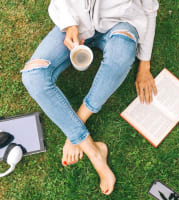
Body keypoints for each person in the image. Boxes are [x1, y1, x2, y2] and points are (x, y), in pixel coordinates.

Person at [20, 0, 159, 195]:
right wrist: (69, 24)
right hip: (76, 24)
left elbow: (150, 10)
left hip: (120, 23)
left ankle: (78, 122)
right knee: (33, 76)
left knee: (120, 58)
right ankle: (93, 151)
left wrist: (145, 65)